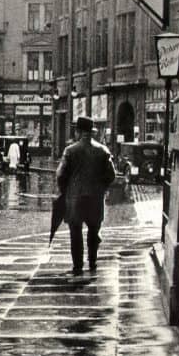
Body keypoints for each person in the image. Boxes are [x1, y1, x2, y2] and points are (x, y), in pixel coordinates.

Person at [56, 116, 116, 275]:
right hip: (95, 199)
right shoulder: (103, 150)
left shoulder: (70, 151)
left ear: (78, 132)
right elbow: (111, 175)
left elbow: (60, 175)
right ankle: (92, 262)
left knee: (75, 233)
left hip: (75, 199)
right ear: (92, 132)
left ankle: (77, 266)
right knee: (94, 231)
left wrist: (65, 191)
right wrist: (101, 188)